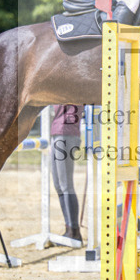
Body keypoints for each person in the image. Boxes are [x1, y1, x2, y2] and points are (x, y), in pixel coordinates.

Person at [50, 104, 84, 244]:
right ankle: (69, 227)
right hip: (58, 132)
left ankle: (74, 230)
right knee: (58, 185)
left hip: (66, 132)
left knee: (66, 185)